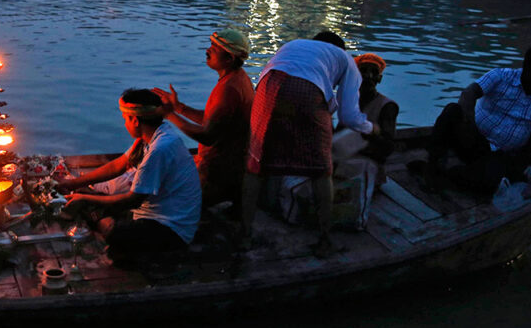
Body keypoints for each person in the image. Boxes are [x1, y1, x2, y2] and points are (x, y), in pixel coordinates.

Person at [242, 31, 378, 257]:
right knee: (321, 171)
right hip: (306, 92)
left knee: (254, 165)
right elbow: (349, 117)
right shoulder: (345, 59)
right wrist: (372, 128)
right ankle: (325, 240)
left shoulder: (294, 45)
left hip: (267, 86)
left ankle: (244, 237)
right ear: (340, 50)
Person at [58, 89, 201, 269]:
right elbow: (118, 165)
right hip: (146, 213)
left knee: (113, 232)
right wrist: (72, 183)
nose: (125, 123)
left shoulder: (159, 149)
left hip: (172, 229)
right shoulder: (154, 134)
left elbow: (132, 200)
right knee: (82, 194)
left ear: (135, 120)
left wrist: (86, 199)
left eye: (125, 118)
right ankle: (96, 214)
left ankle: (98, 218)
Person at [423, 45, 531, 194]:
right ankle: (433, 166)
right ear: (528, 69)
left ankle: (450, 173)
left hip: (499, 154)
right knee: (452, 110)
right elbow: (469, 94)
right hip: (472, 137)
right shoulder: (501, 76)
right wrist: (468, 123)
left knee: (489, 184)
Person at [152, 29, 254, 209]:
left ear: (229, 59)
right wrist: (179, 108)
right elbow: (214, 121)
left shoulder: (229, 88)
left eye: (215, 48)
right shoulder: (238, 78)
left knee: (159, 201)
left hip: (216, 174)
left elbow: (208, 135)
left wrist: (168, 114)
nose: (208, 50)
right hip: (228, 168)